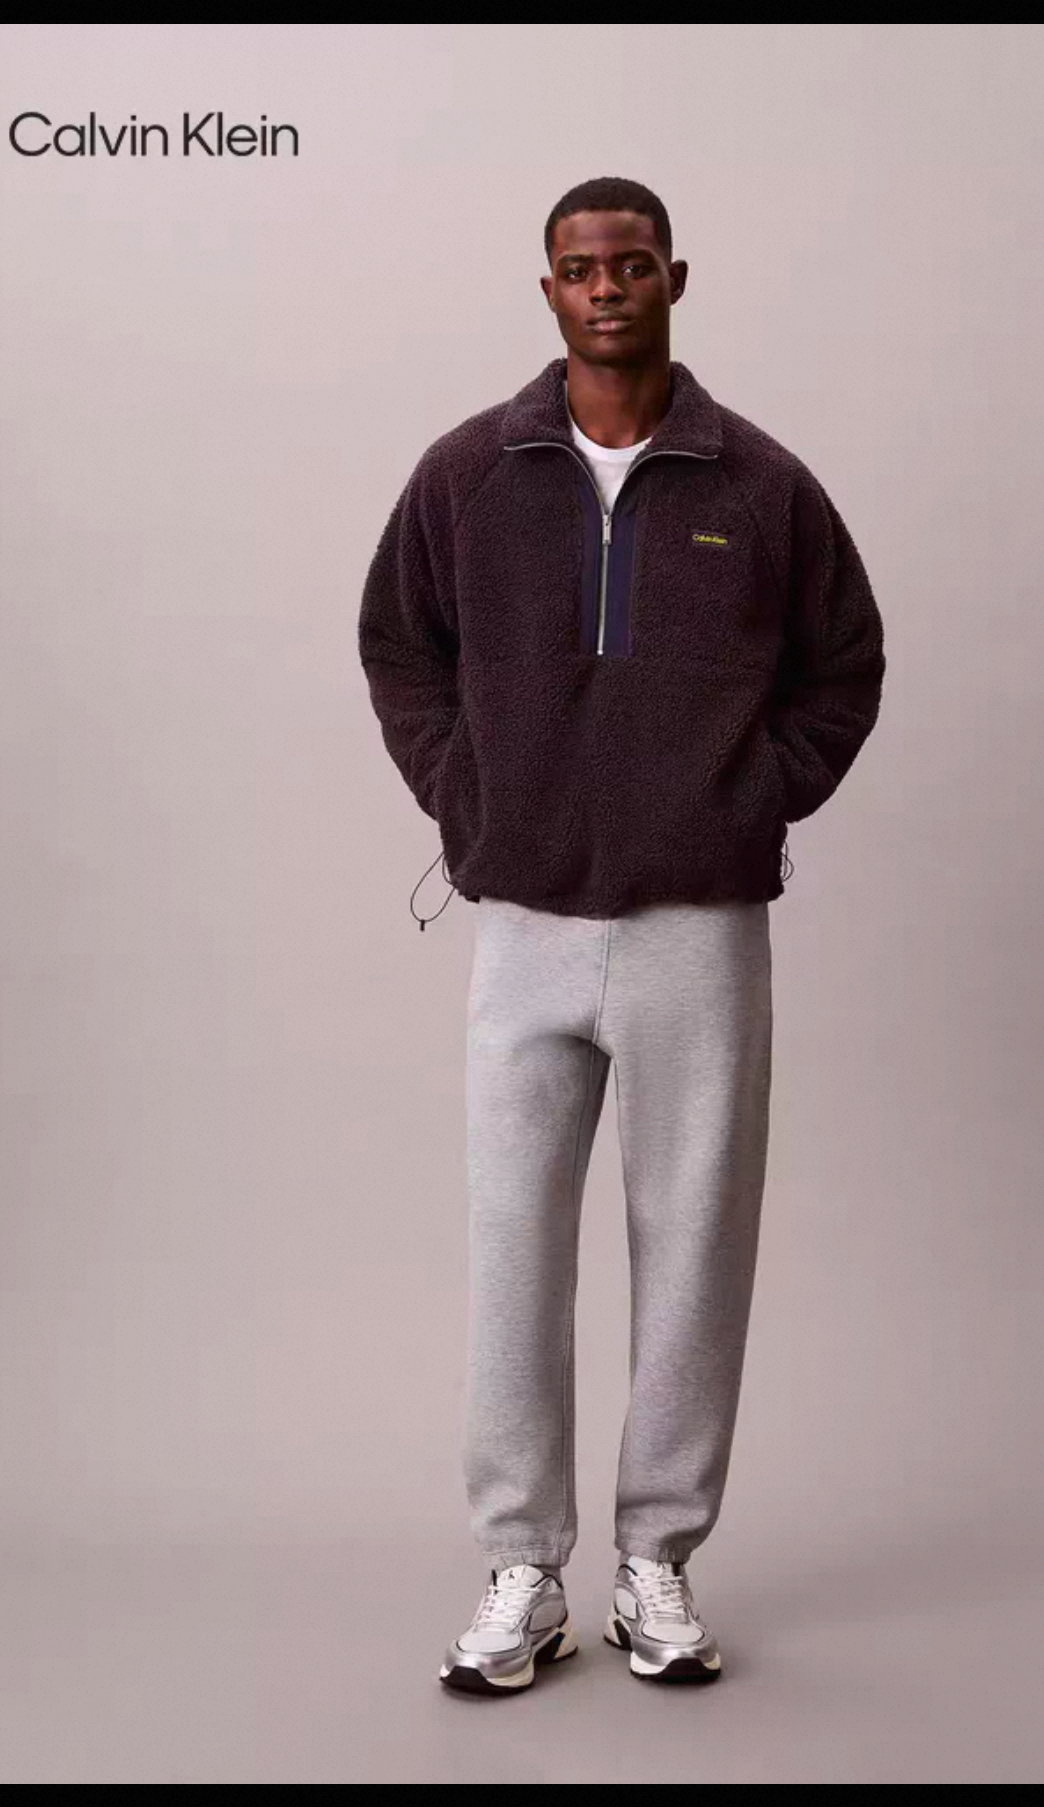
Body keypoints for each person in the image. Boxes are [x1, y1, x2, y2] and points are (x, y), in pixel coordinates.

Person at [357, 176, 886, 1694]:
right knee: (515, 1250)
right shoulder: (471, 474)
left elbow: (845, 666)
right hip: (524, 918)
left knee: (697, 1247)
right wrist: (468, 797)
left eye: (633, 264)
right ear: (549, 290)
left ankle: (658, 1560)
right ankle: (523, 1565)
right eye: (581, 268)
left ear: (674, 279)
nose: (607, 287)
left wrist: (746, 797)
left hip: (697, 929)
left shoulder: (760, 484)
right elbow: (399, 647)